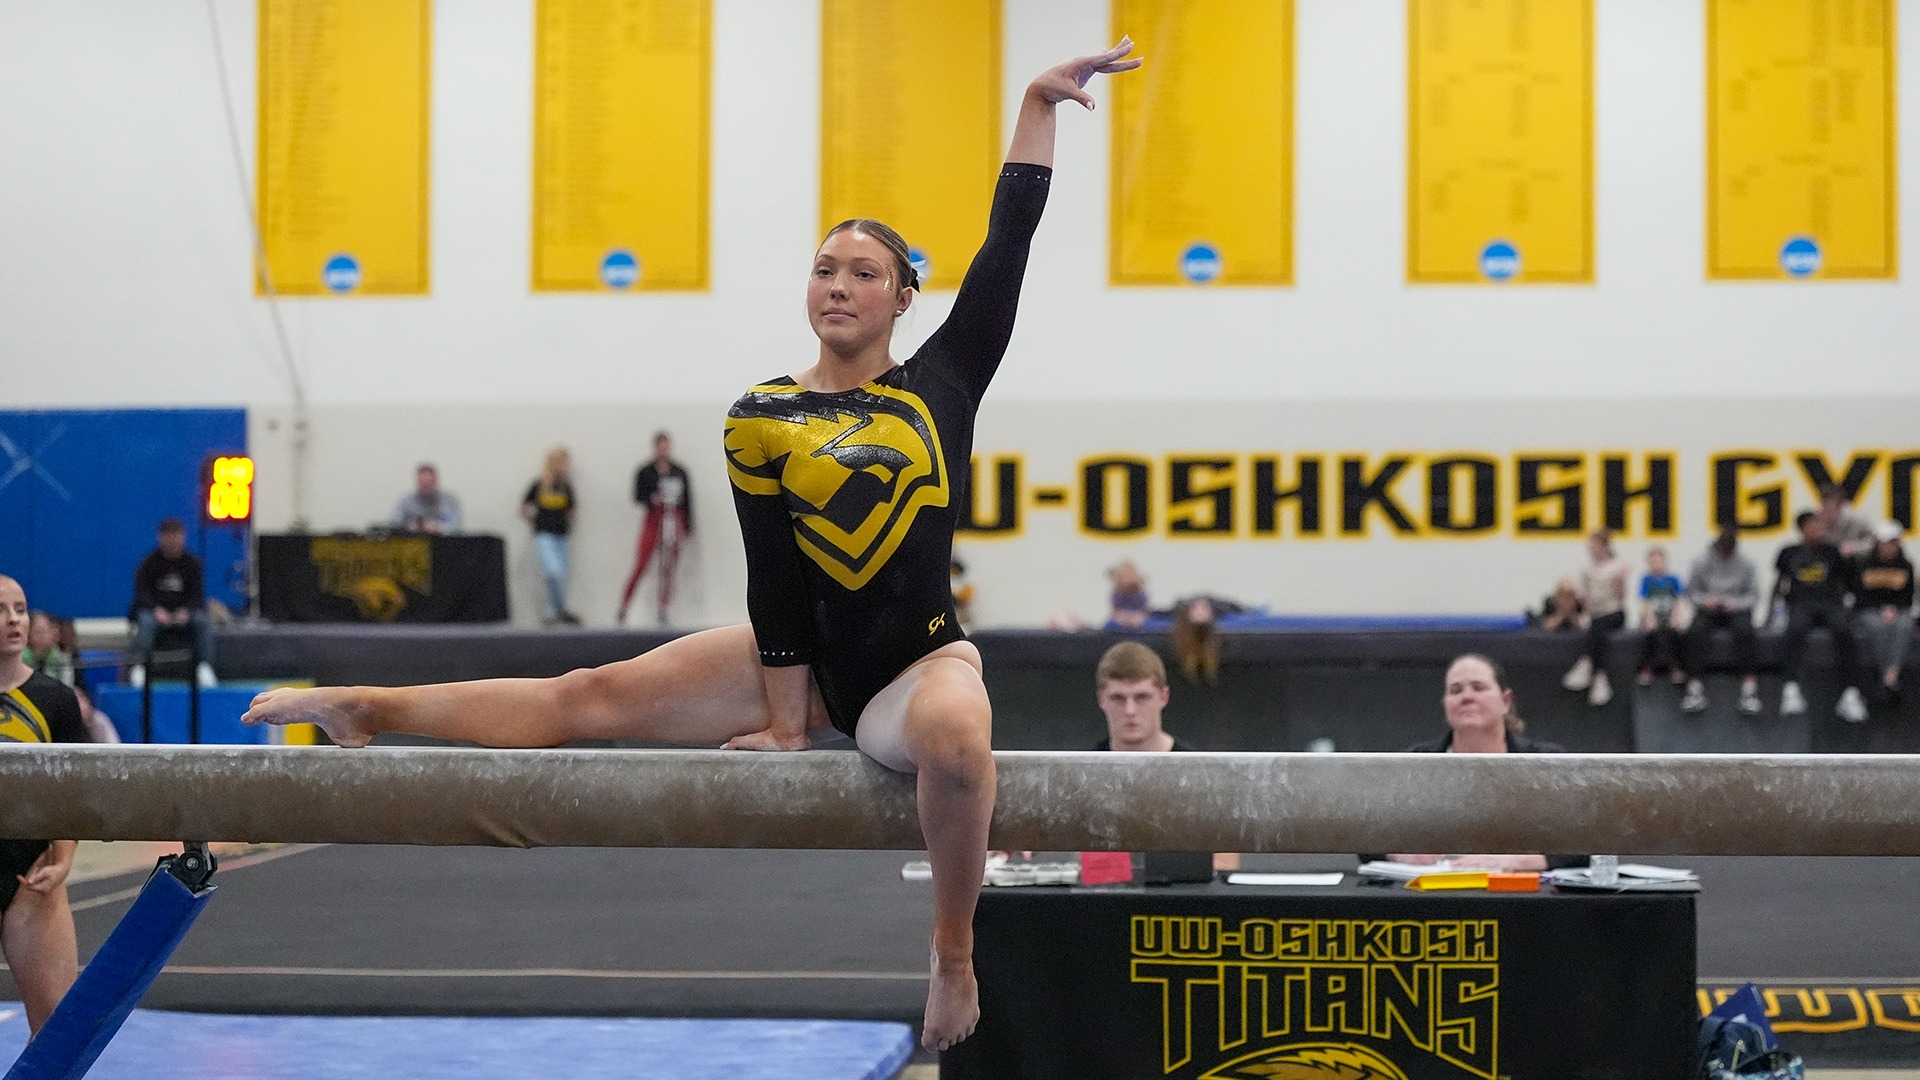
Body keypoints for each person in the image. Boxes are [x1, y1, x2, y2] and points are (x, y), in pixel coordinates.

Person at [241, 40, 1141, 1054]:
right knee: (585, 696)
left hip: (916, 663)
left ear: (903, 299)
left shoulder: (945, 382)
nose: (837, 285)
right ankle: (370, 709)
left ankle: (951, 952)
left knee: (960, 742)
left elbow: (1007, 243)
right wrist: (785, 715)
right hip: (794, 654)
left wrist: (1035, 105)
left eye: (865, 272)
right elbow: (775, 579)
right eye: (823, 268)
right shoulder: (759, 414)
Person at [1370, 654, 1585, 872]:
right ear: (1445, 704)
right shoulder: (1414, 764)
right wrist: (1397, 855)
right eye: (1455, 690)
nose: (1466, 697)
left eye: (1478, 687)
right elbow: (1366, 833)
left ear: (1506, 701)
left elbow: (1586, 842)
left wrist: (1517, 862)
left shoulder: (1547, 764)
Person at [0, 574, 88, 1035]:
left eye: (20, 608)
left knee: (56, 1029)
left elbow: (71, 795)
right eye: (0, 609)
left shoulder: (55, 700)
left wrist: (63, 860)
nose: (14, 619)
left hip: (31, 875)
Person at [1089, 641, 1237, 871]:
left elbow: (1226, 862)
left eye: (1142, 697)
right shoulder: (1081, 773)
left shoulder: (1200, 774)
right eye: (1118, 698)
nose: (1130, 711)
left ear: (1163, 696)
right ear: (1101, 700)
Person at [1771, 511, 1868, 722]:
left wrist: (1851, 607)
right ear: (1802, 529)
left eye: (1820, 527)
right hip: (1800, 603)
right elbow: (1779, 583)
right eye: (1814, 526)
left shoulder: (1832, 552)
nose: (1819, 531)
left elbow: (1847, 581)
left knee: (1843, 631)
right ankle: (1791, 687)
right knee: (1795, 629)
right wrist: (1770, 613)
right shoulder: (1789, 553)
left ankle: (1851, 691)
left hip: (1829, 603)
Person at [1680, 525, 1763, 715]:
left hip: (1736, 608)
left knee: (1745, 632)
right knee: (1694, 632)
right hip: (1708, 608)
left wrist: (1734, 604)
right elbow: (1691, 592)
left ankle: (1749, 689)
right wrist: (1704, 601)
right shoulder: (1700, 561)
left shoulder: (1747, 563)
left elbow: (1753, 595)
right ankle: (1694, 688)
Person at [129, 517, 217, 689]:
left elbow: (197, 595)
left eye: (176, 535)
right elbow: (142, 594)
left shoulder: (192, 564)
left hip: (184, 614)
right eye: (168, 536)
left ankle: (205, 667)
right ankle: (139, 667)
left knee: (203, 621)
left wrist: (186, 611)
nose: (172, 540)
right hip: (155, 613)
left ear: (183, 536)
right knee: (146, 622)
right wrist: (156, 610)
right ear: (160, 537)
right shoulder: (148, 563)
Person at [617, 432, 694, 628]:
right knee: (642, 563)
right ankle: (624, 607)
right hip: (654, 518)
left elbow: (687, 501)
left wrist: (687, 526)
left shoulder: (679, 471)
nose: (663, 450)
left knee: (669, 567)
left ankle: (663, 609)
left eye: (666, 446)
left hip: (673, 518)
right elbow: (637, 496)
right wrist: (653, 498)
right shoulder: (645, 471)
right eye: (660, 446)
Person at [1561, 529, 1630, 706]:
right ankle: (1599, 676)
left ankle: (1587, 664)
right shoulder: (1587, 570)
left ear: (1604, 547)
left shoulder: (1617, 566)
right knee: (1595, 628)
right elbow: (1585, 597)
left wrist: (1621, 581)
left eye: (1594, 546)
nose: (1591, 550)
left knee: (1599, 626)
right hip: (1595, 615)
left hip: (1614, 613)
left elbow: (1620, 597)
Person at [1848, 520, 1914, 700]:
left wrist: (1893, 608)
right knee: (1877, 626)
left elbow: (1907, 597)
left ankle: (1892, 672)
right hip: (1868, 610)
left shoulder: (1905, 566)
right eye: (1886, 542)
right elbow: (1858, 595)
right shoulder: (1863, 564)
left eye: (1893, 542)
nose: (1889, 547)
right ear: (1878, 543)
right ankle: (1887, 672)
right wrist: (1881, 608)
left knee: (1905, 625)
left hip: (1897, 610)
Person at [522, 447, 579, 626]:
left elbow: (572, 508)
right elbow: (524, 505)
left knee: (560, 574)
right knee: (552, 571)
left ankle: (558, 610)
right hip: (544, 534)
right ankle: (553, 609)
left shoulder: (565, 487)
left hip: (560, 535)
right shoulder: (539, 485)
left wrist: (568, 524)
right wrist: (533, 521)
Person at [1634, 547, 1688, 687]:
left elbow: (1679, 600)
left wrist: (1676, 617)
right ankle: (1647, 668)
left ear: (1665, 561)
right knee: (1650, 634)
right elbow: (1644, 601)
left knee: (1674, 634)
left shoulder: (1673, 579)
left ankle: (1677, 668)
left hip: (1669, 614)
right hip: (1653, 615)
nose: (1656, 564)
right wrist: (1649, 618)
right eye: (1653, 562)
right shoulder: (1646, 580)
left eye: (1659, 561)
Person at [391, 463, 463, 534]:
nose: (426, 490)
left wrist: (437, 527)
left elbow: (457, 525)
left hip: (442, 541)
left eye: (429, 484)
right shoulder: (406, 501)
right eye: (423, 485)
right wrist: (408, 527)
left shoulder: (449, 500)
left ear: (435, 482)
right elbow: (393, 523)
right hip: (413, 542)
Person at [1817, 483, 1878, 558]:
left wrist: (1855, 548)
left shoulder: (1857, 519)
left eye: (1830, 508)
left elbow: (1873, 541)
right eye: (1824, 506)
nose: (1825, 511)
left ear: (1840, 507)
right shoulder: (1818, 520)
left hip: (1856, 559)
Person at [22, 610, 73, 687]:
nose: (41, 636)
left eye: (45, 631)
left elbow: (67, 685)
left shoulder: (61, 658)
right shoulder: (19, 659)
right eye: (38, 631)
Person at [1106, 560, 1148, 630]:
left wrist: (1136, 619)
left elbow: (1144, 611)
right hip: (1120, 619)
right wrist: (1124, 618)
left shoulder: (1141, 593)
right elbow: (1115, 611)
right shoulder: (1116, 594)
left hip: (1138, 619)